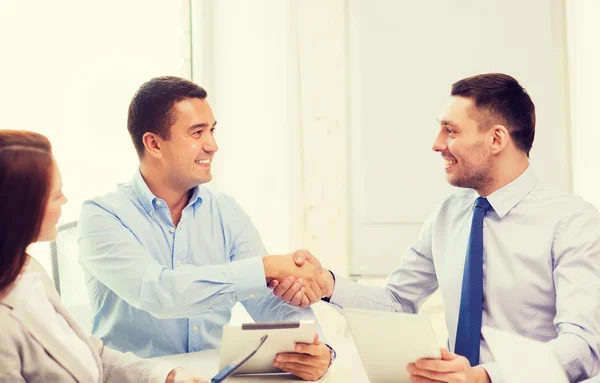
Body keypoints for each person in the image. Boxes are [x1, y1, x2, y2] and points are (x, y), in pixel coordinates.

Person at [276, 73, 600, 382]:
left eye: (451, 131)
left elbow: (583, 344)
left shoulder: (572, 222)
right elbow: (398, 302)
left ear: (496, 138)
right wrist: (327, 284)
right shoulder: (449, 213)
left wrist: (485, 377)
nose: (436, 144)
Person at [77, 76, 333, 381]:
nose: (212, 145)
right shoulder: (102, 216)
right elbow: (159, 292)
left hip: (211, 375)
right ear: (154, 143)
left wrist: (315, 347)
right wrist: (264, 268)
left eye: (211, 130)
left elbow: (267, 300)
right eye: (197, 132)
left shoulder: (226, 211)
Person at [0, 130, 206, 383]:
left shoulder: (27, 270)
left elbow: (86, 353)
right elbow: (160, 291)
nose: (65, 199)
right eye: (56, 194)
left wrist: (164, 377)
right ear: (19, 208)